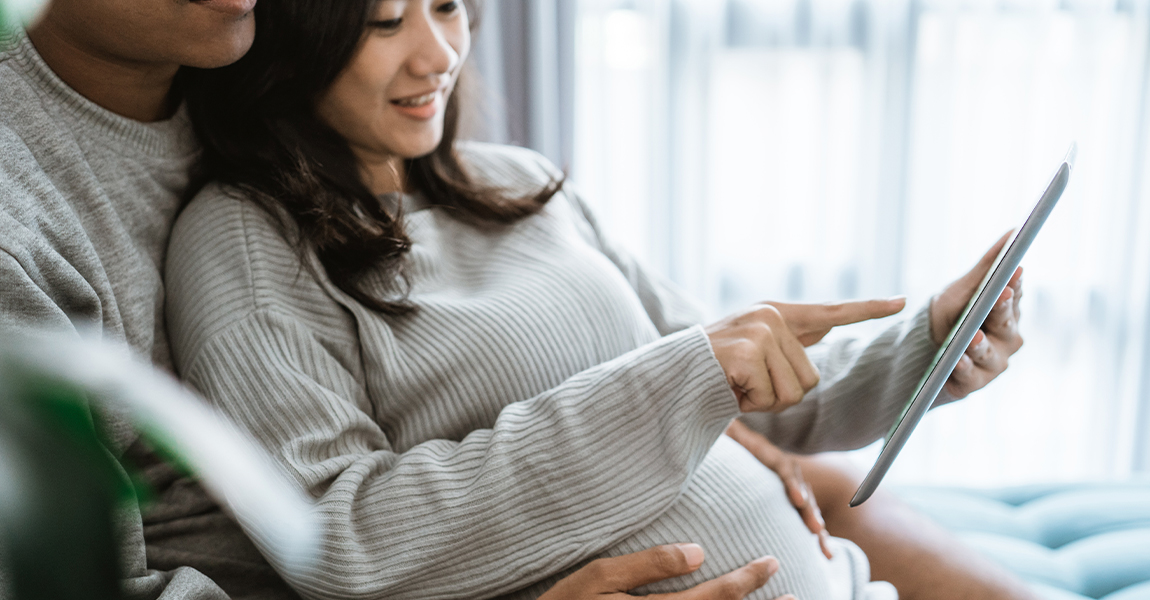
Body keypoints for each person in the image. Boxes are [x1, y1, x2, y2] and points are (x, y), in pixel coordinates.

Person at [165, 1, 1032, 600]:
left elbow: (748, 389)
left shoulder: (520, 181)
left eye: (449, 7)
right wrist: (680, 380)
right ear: (292, 38)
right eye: (383, 23)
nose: (438, 54)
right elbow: (339, 541)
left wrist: (928, 345)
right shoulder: (244, 240)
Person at [0, 1, 800, 599]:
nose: (433, 53)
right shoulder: (33, 214)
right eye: (385, 20)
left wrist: (688, 417)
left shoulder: (248, 84)